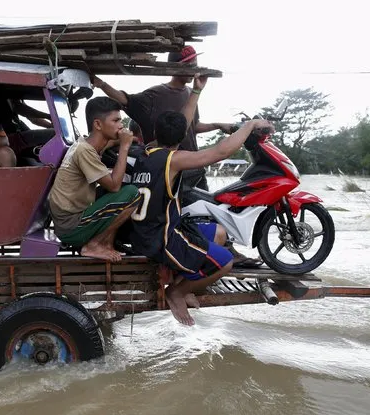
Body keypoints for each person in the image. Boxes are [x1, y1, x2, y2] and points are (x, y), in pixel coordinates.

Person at [93, 46, 263, 268]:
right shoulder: (155, 95)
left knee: (212, 209)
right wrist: (100, 83)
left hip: (193, 165)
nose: (194, 68)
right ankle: (204, 256)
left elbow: (192, 126)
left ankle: (222, 250)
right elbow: (125, 99)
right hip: (172, 167)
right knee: (184, 215)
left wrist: (217, 125)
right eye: (190, 65)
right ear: (176, 67)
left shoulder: (189, 94)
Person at [130, 74, 275, 325]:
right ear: (180, 139)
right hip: (161, 237)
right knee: (226, 262)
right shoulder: (173, 160)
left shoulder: (145, 152)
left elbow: (182, 124)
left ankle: (184, 285)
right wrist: (249, 125)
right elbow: (221, 151)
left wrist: (196, 92)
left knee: (219, 233)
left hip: (147, 229)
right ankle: (177, 292)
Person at [48, 97, 140, 262]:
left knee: (106, 189)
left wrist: (129, 139)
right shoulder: (85, 152)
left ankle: (106, 244)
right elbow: (114, 186)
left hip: (69, 220)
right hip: (72, 227)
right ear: (98, 124)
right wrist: (125, 147)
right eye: (116, 120)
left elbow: (107, 143)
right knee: (131, 193)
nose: (121, 125)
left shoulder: (86, 144)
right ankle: (95, 244)